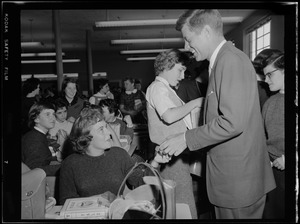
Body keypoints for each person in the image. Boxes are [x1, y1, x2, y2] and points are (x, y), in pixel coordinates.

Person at [159, 9, 276, 219]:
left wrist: (186, 138)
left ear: (205, 32)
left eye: (188, 39)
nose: (186, 47)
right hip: (234, 181)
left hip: (238, 184)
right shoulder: (222, 61)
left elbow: (233, 121)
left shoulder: (229, 60)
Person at [59, 107, 170, 205]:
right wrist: (95, 200)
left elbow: (141, 182)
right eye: (101, 130)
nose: (109, 133)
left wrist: (155, 162)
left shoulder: (118, 154)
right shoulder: (70, 164)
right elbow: (65, 201)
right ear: (85, 138)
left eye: (106, 127)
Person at [146, 49, 204, 219]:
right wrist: (195, 102)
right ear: (166, 66)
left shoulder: (166, 89)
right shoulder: (157, 87)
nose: (182, 75)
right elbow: (169, 116)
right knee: (181, 204)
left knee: (178, 203)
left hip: (176, 152)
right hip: (170, 154)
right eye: (180, 70)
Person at [260, 50, 285, 219]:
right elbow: (262, 138)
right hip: (273, 172)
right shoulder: (270, 103)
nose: (266, 80)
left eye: (270, 74)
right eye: (264, 75)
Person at [22, 100, 61, 176]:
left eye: (53, 114)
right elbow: (34, 170)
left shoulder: (37, 135)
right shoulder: (34, 139)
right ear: (36, 119)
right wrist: (65, 167)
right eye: (47, 114)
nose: (53, 118)